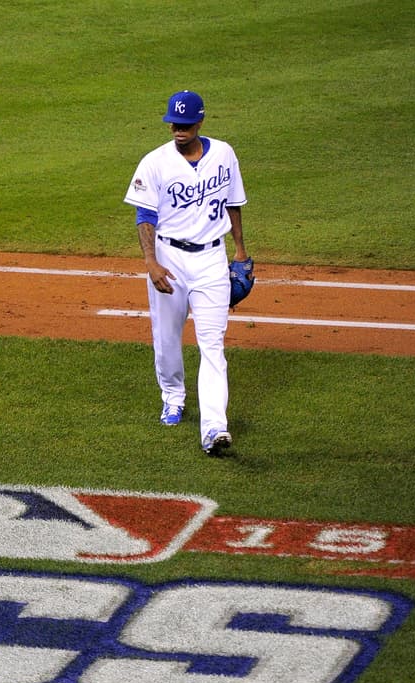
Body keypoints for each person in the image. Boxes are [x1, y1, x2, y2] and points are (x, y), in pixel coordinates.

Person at [123, 90, 249, 455]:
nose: (178, 130)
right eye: (173, 124)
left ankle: (214, 429)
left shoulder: (223, 154)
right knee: (167, 337)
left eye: (185, 124)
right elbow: (145, 216)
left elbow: (234, 204)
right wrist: (151, 262)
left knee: (213, 345)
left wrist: (240, 251)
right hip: (169, 258)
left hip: (212, 260)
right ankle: (173, 396)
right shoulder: (154, 162)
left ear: (200, 122)